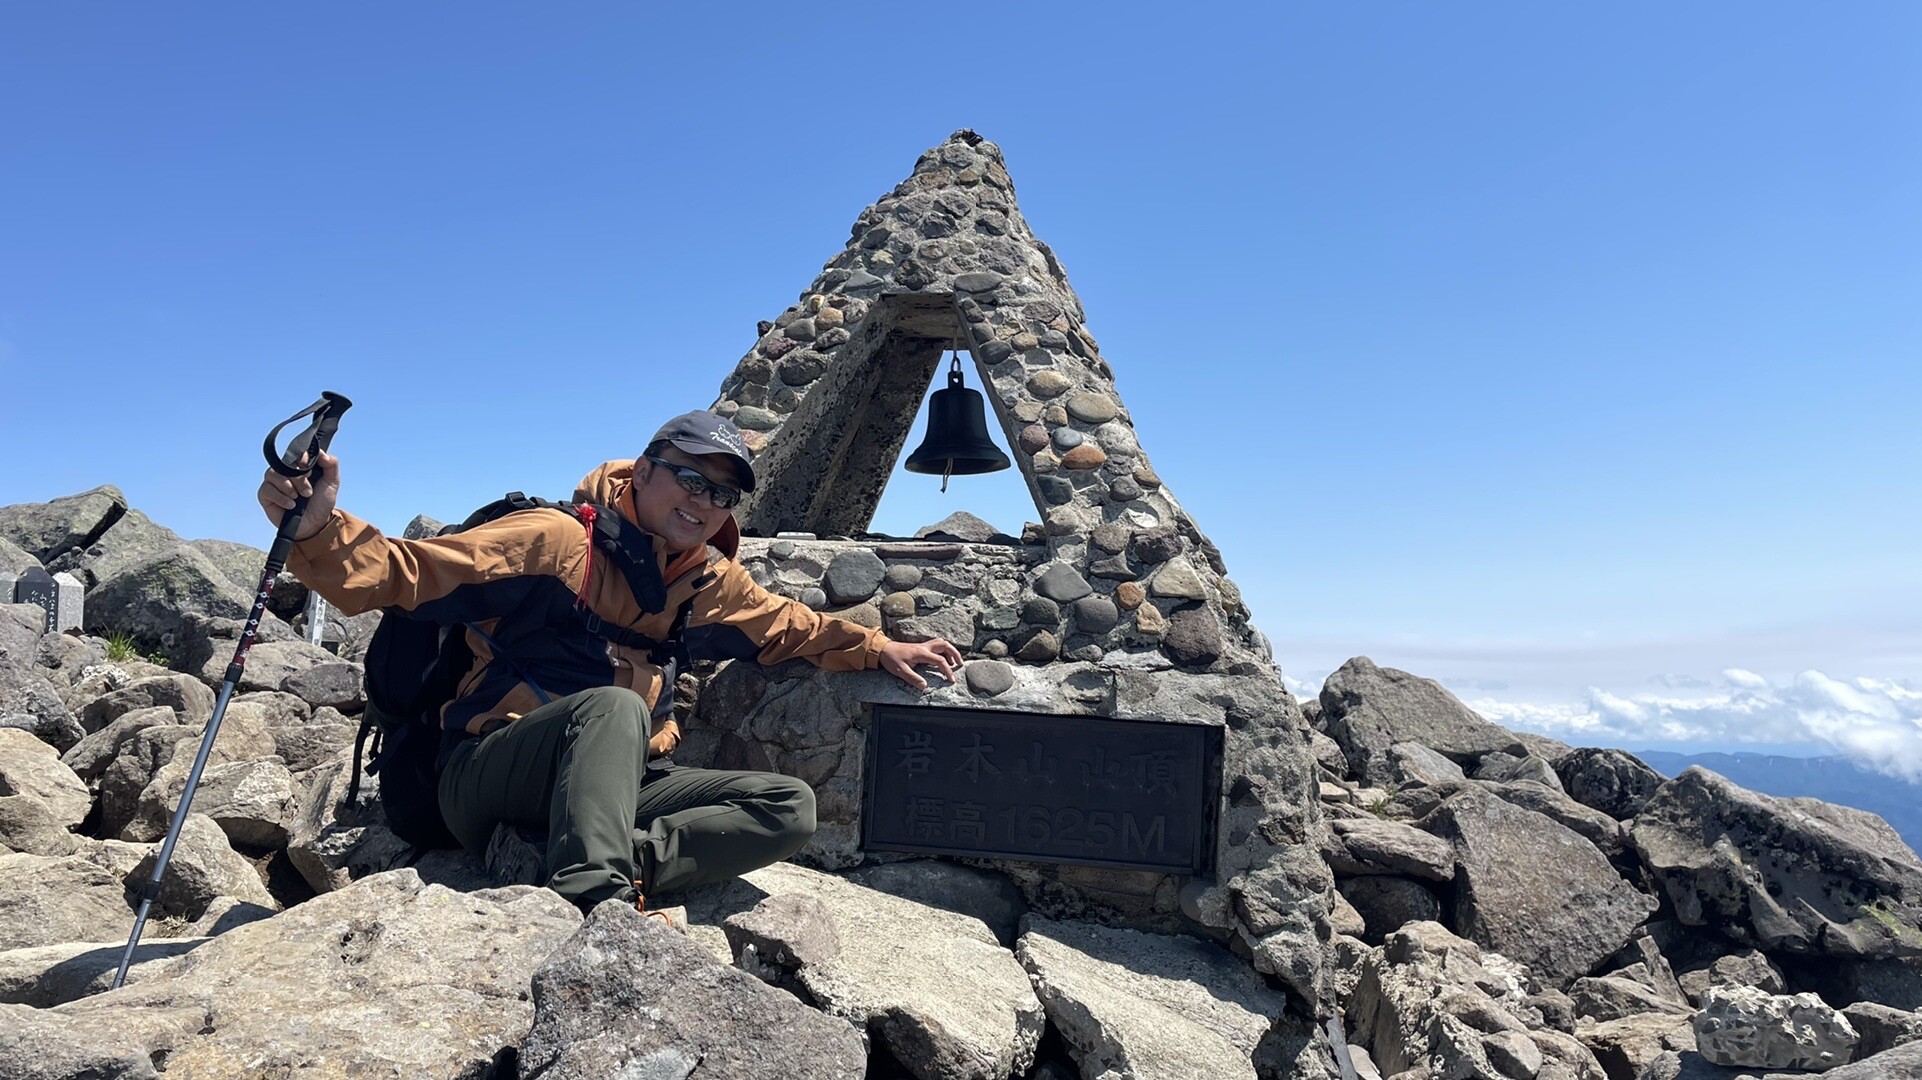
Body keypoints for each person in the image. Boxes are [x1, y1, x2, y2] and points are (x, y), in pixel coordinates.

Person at [258, 410, 961, 919]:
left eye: (722, 494)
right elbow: (406, 575)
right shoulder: (555, 540)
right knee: (616, 706)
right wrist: (318, 527)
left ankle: (580, 857)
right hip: (485, 773)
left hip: (618, 782)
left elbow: (785, 624)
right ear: (645, 471)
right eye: (690, 478)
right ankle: (594, 905)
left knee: (787, 807)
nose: (704, 501)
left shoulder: (700, 579)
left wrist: (878, 647)